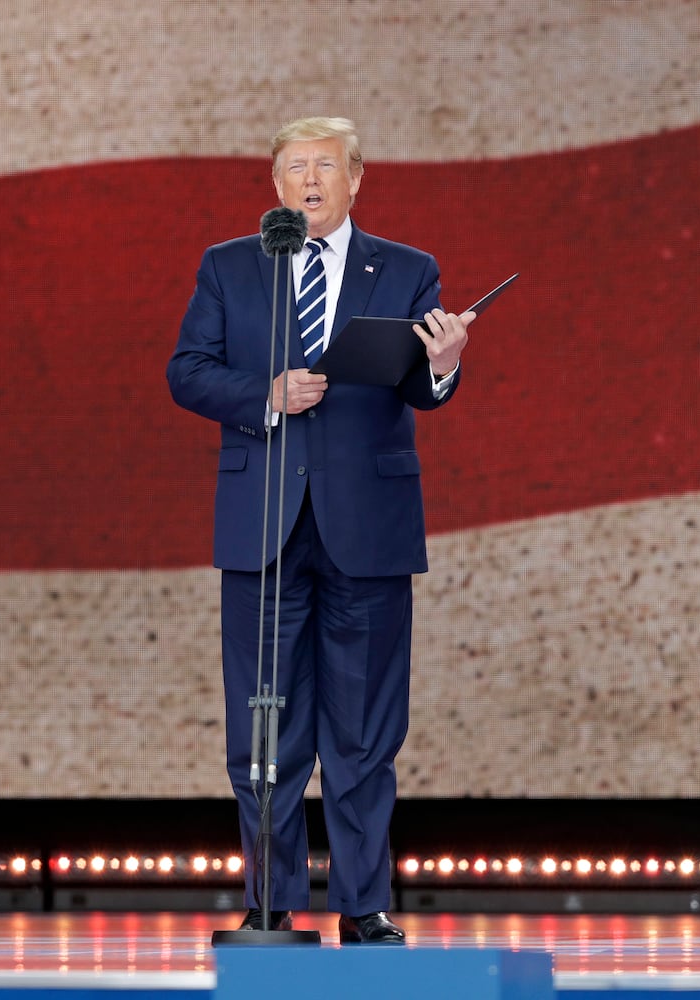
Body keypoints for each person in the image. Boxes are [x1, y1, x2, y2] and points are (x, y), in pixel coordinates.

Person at [166, 116, 474, 945]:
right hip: (262, 527)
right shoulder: (231, 265)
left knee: (363, 732)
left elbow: (418, 388)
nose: (309, 180)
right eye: (295, 167)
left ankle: (364, 906)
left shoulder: (406, 269)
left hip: (367, 530)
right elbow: (186, 371)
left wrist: (443, 364)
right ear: (276, 184)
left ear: (355, 179)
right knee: (264, 729)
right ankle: (270, 902)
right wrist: (264, 394)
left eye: (326, 166)